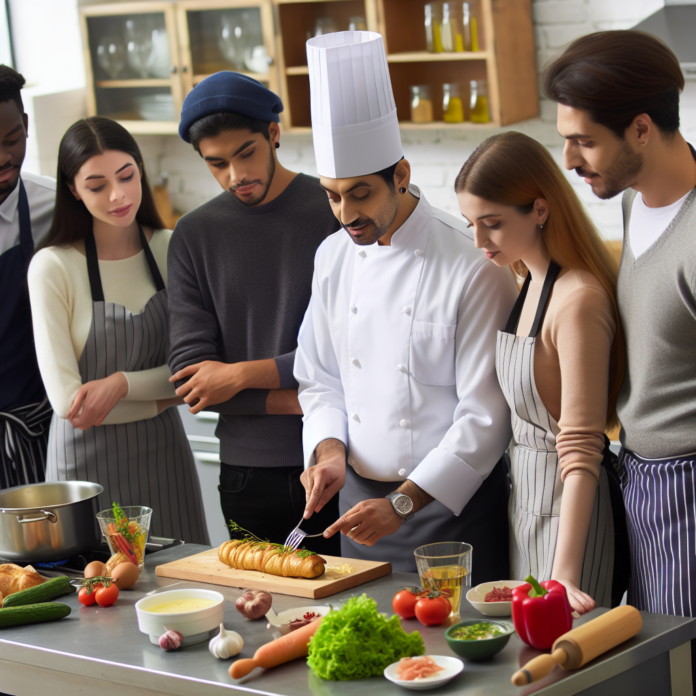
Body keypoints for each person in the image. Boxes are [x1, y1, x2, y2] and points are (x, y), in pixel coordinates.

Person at [295, 31, 516, 578]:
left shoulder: (473, 264)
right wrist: (328, 453)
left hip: (446, 510)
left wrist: (402, 504)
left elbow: (485, 416)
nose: (345, 214)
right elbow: (319, 377)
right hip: (358, 510)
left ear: (401, 175)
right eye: (332, 195)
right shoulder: (332, 257)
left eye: (360, 193)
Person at [544, 29, 696, 627]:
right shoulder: (635, 202)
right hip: (642, 481)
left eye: (584, 142)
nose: (569, 160)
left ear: (640, 128)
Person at [455, 131, 629, 614]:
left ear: (540, 209)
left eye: (491, 223)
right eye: (471, 223)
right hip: (525, 503)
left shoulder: (578, 298)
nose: (478, 240)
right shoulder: (526, 280)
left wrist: (564, 572)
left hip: (570, 514)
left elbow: (582, 446)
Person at [168, 72, 340, 555]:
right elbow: (192, 382)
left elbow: (353, 351)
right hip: (246, 476)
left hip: (338, 461)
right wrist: (297, 397)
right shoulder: (194, 234)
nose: (235, 176)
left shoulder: (333, 210)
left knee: (348, 614)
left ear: (273, 133)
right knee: (260, 614)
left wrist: (239, 375)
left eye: (246, 153)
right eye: (216, 164)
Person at [28, 117, 208, 543]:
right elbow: (70, 405)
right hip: (85, 473)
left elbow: (195, 372)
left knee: (186, 583)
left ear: (140, 168)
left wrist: (120, 385)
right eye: (96, 185)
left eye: (127, 176)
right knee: (101, 597)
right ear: (73, 189)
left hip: (166, 459)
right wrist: (162, 399)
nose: (118, 195)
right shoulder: (53, 267)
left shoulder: (172, 247)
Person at [0, 65, 55, 490]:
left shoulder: (56, 208)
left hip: (40, 433)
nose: (3, 158)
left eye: (12, 140)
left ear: (27, 126)